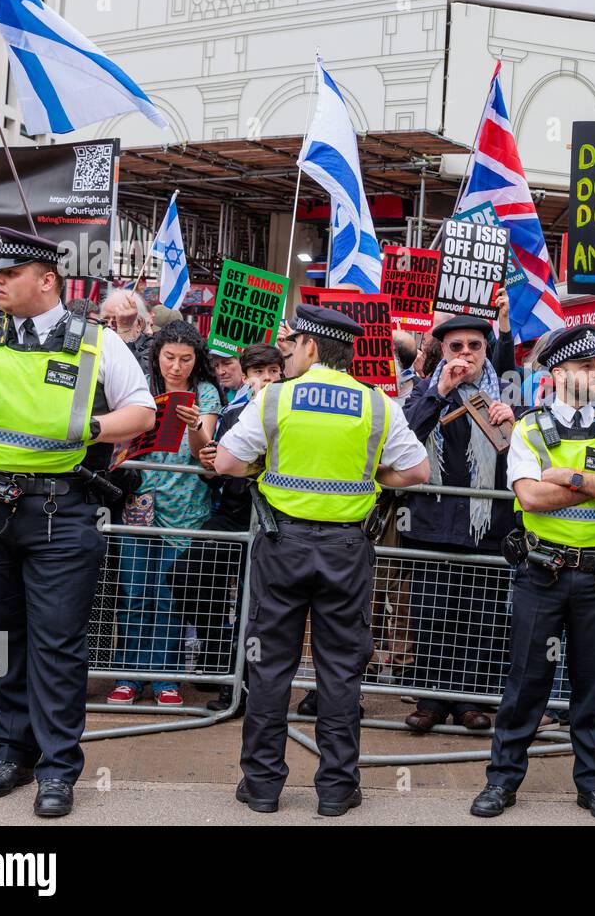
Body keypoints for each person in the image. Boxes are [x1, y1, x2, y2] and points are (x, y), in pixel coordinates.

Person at [0, 227, 155, 817]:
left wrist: (88, 429)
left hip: (60, 511)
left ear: (47, 280)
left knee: (57, 643)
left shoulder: (96, 342)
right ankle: (9, 753)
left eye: (11, 272)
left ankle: (57, 768)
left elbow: (141, 410)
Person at [215, 304, 428, 816]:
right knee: (339, 673)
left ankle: (262, 787)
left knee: (268, 669)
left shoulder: (273, 398)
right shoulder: (377, 404)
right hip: (347, 552)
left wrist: (264, 464)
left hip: (281, 548)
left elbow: (225, 462)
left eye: (291, 348)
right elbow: (418, 471)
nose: (285, 356)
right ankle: (335, 790)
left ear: (311, 347)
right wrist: (371, 480)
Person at [470, 325, 595, 822]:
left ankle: (594, 787)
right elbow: (529, 497)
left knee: (590, 690)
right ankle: (502, 781)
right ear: (559, 373)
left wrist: (569, 478)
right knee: (525, 684)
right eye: (587, 368)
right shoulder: (529, 427)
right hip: (541, 575)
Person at [401, 315, 517, 732]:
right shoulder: (421, 392)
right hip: (432, 524)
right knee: (432, 615)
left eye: (473, 346)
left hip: (486, 530)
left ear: (485, 351)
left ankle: (470, 700)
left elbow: (525, 463)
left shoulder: (506, 397)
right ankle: (430, 701)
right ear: (442, 352)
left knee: (479, 618)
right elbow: (404, 435)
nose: (464, 354)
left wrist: (514, 427)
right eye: (456, 347)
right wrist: (441, 392)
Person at [107, 320, 220, 707]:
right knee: (134, 592)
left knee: (169, 596)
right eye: (169, 357)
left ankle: (164, 677)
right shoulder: (140, 386)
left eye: (186, 359)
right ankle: (129, 675)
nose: (176, 366)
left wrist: (194, 429)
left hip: (185, 508)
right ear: (157, 356)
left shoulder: (204, 393)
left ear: (196, 360)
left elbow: (206, 457)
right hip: (139, 501)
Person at [183, 343, 285, 715]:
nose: (266, 379)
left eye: (273, 372)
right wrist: (210, 462)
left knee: (253, 603)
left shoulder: (289, 411)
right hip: (234, 513)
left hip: (272, 517)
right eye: (258, 373)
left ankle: (241, 687)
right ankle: (216, 651)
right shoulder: (233, 413)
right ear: (245, 376)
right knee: (187, 574)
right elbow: (216, 475)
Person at [100, 287, 153, 373]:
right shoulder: (96, 341)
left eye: (116, 321)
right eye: (104, 321)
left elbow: (139, 376)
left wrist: (125, 331)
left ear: (139, 324)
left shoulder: (152, 349)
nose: (109, 326)